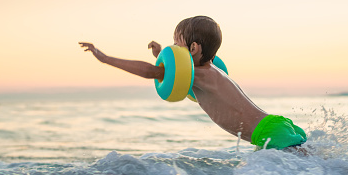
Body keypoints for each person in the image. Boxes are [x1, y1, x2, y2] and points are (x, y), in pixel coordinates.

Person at [79, 16, 307, 150]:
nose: (173, 49)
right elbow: (174, 68)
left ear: (193, 48)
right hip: (276, 125)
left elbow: (152, 72)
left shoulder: (201, 76)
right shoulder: (212, 70)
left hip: (268, 134)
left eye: (176, 44)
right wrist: (159, 54)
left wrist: (104, 58)